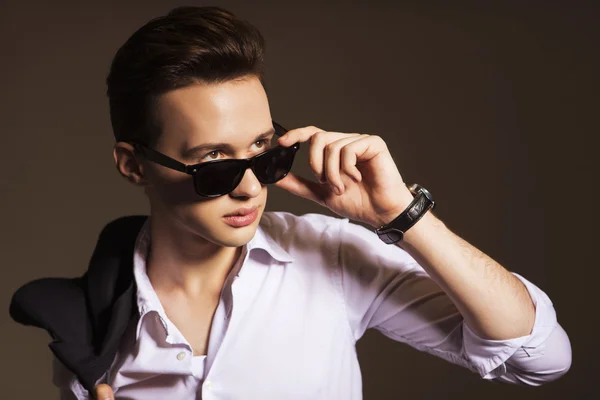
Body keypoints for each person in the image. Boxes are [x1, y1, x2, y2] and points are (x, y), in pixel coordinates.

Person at [9, 5, 571, 400]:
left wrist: (403, 218)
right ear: (134, 165)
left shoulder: (327, 256)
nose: (251, 185)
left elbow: (538, 359)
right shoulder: (88, 324)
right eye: (214, 163)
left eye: (263, 149)